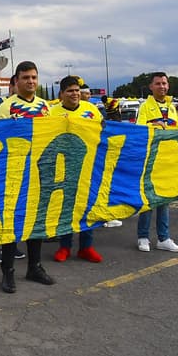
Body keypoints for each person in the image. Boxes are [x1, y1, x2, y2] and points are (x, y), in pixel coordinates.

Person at [0, 61, 56, 293]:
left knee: (35, 221)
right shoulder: (6, 107)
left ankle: (34, 267)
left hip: (40, 172)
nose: (30, 81)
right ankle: (8, 272)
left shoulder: (46, 107)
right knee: (11, 222)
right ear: (16, 81)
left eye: (34, 77)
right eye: (26, 77)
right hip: (13, 172)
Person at [47, 76, 104, 263]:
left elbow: (104, 132)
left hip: (89, 166)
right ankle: (65, 246)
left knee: (87, 206)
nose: (75, 94)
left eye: (77, 90)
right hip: (63, 168)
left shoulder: (91, 110)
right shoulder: (51, 112)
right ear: (61, 94)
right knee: (66, 207)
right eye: (70, 90)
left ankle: (86, 247)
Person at [135, 72, 178, 254]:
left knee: (165, 199)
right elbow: (139, 130)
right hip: (150, 159)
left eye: (164, 83)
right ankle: (143, 236)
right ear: (151, 87)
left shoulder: (172, 107)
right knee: (148, 199)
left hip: (168, 160)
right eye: (158, 84)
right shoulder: (145, 107)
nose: (162, 86)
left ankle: (163, 238)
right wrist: (155, 126)